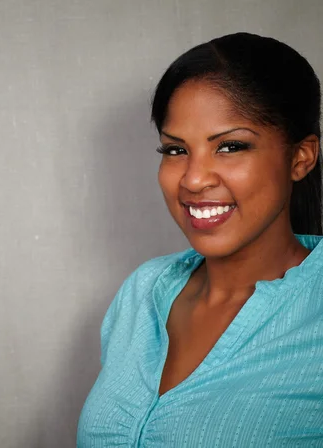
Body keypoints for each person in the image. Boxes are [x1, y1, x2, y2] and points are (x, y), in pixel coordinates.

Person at [77, 32, 323, 447]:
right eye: (175, 151)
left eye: (229, 146)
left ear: (300, 158)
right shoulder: (143, 291)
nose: (192, 179)